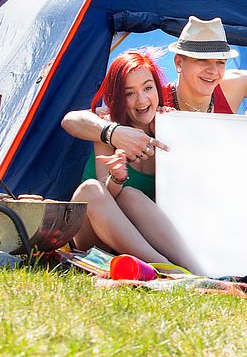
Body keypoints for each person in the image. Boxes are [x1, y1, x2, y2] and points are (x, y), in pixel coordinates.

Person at [66, 15, 247, 155]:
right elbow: (74, 120)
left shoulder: (231, 85)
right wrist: (113, 133)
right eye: (202, 62)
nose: (213, 71)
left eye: (219, 62)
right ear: (179, 63)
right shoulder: (153, 99)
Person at [61, 49, 204, 274]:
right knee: (91, 189)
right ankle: (167, 269)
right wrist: (117, 171)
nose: (142, 100)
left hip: (144, 234)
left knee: (132, 195)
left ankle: (196, 270)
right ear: (119, 97)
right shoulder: (110, 126)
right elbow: (69, 120)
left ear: (158, 88)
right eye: (130, 93)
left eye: (148, 88)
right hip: (96, 236)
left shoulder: (169, 124)